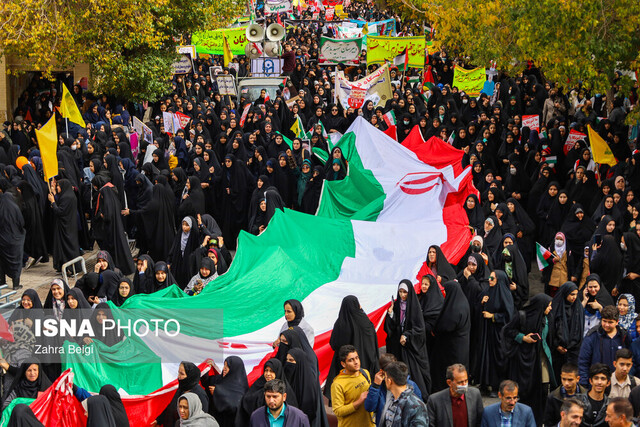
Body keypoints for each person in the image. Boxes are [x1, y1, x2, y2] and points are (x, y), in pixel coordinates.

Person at [501, 293, 554, 424]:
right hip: (524, 361)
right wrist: (523, 338)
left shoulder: (546, 318)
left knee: (542, 391)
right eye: (548, 306)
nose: (550, 308)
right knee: (525, 391)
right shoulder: (522, 316)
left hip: (541, 360)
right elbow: (507, 331)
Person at [325, 296, 379, 402]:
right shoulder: (365, 321)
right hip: (365, 363)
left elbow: (334, 343)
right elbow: (372, 340)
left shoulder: (341, 323)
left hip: (345, 366)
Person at [384, 280, 431, 399]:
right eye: (400, 292)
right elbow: (392, 326)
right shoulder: (396, 305)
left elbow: (419, 328)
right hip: (398, 347)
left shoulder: (414, 306)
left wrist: (407, 335)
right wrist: (391, 314)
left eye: (405, 292)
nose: (402, 295)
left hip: (410, 347)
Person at [476, 270, 514, 396]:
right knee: (485, 356)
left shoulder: (505, 294)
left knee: (497, 358)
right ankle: (485, 383)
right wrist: (482, 302)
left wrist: (493, 316)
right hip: (486, 331)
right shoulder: (487, 291)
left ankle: (497, 385)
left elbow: (508, 316)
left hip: (499, 333)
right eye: (490, 278)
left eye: (492, 278)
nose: (490, 280)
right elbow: (477, 308)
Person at [430, 281, 471, 392]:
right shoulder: (462, 302)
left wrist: (436, 330)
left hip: (451, 347)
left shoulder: (455, 308)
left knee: (451, 371)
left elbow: (447, 326)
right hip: (460, 344)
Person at [364, 353, 423, 427]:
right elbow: (369, 407)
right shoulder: (379, 387)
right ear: (382, 372)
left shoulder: (411, 385)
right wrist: (375, 386)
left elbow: (419, 412)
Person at [578, 305, 631, 386]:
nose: (606, 325)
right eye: (604, 321)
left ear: (617, 322)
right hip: (597, 384)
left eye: (610, 322)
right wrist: (584, 384)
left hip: (619, 384)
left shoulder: (624, 336)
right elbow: (583, 362)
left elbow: (631, 359)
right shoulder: (592, 336)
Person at [236, 359, 299, 426]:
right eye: (266, 370)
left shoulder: (285, 390)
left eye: (271, 371)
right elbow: (247, 401)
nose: (268, 374)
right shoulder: (258, 384)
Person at [330, 345, 374, 427]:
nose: (356, 362)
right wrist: (359, 401)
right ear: (343, 364)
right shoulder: (337, 384)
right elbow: (338, 411)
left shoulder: (365, 373)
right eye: (351, 360)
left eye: (357, 358)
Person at [549, 282, 584, 383]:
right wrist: (557, 345)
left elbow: (579, 330)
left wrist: (570, 346)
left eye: (576, 294)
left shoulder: (578, 308)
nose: (574, 297)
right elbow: (551, 330)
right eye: (571, 294)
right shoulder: (555, 308)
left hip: (573, 351)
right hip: (557, 351)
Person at [284, 348, 329, 427]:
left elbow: (309, 409)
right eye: (287, 360)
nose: (288, 363)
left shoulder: (309, 383)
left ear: (299, 362)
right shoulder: (286, 378)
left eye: (291, 360)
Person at [154, 362, 208, 427]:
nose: (178, 376)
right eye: (178, 373)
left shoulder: (200, 394)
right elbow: (171, 407)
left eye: (182, 374)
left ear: (190, 376)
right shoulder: (181, 389)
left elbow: (201, 420)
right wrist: (159, 420)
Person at [381, 361, 429, 426]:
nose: (384, 380)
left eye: (385, 377)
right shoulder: (392, 400)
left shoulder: (416, 406)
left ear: (390, 381)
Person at [205, 355, 248, 426]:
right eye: (224, 366)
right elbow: (206, 382)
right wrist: (207, 369)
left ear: (234, 369)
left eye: (228, 367)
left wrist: (217, 393)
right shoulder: (220, 379)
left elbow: (234, 406)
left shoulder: (240, 387)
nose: (224, 369)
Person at [0, 190, 25, 290]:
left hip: (2, 240)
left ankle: (2, 281)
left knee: (2, 261)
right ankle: (15, 284)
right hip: (15, 240)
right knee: (16, 261)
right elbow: (21, 222)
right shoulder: (15, 208)